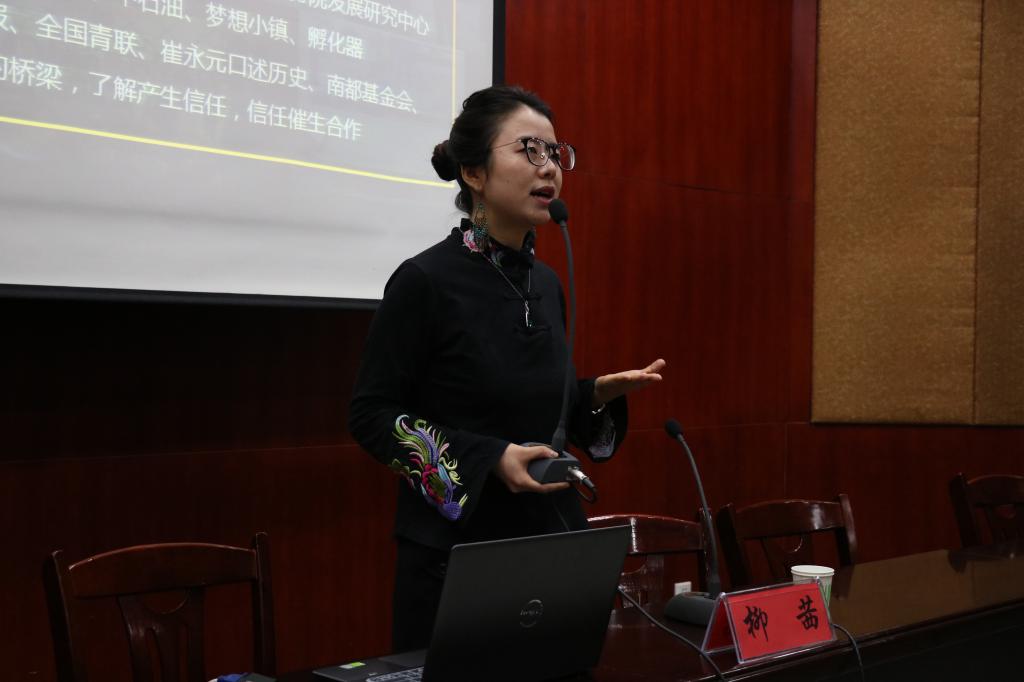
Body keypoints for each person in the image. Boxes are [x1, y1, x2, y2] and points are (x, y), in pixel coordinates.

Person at [349, 85, 665, 651]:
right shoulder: (425, 281)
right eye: (529, 150)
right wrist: (489, 458)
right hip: (456, 557)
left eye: (555, 152)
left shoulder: (546, 282)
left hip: (549, 544)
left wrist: (592, 396)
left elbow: (534, 411)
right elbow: (371, 415)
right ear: (474, 172)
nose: (549, 169)